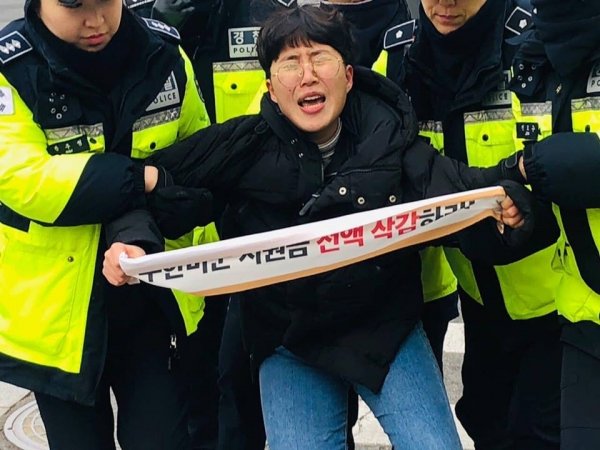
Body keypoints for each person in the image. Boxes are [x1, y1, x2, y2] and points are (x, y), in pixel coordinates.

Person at [102, 6, 533, 449]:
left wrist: (511, 201)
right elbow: (152, 189)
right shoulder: (242, 145)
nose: (307, 76)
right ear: (270, 88)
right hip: (289, 340)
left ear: (348, 76)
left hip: (385, 332)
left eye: (320, 58)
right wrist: (131, 242)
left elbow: (463, 189)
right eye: (290, 63)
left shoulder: (390, 136)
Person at [0, 0, 214, 448]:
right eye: (76, 7)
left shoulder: (165, 54)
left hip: (153, 300)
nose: (95, 21)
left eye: (106, 3)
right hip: (58, 318)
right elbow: (19, 176)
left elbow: (200, 157)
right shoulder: (11, 67)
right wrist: (141, 179)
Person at [398, 0, 563, 448]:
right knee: (486, 418)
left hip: (558, 303)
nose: (446, 3)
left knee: (538, 432)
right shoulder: (404, 59)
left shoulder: (539, 45)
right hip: (480, 300)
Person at [496, 0, 600, 447]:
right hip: (584, 315)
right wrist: (520, 209)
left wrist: (541, 165)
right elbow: (540, 187)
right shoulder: (530, 60)